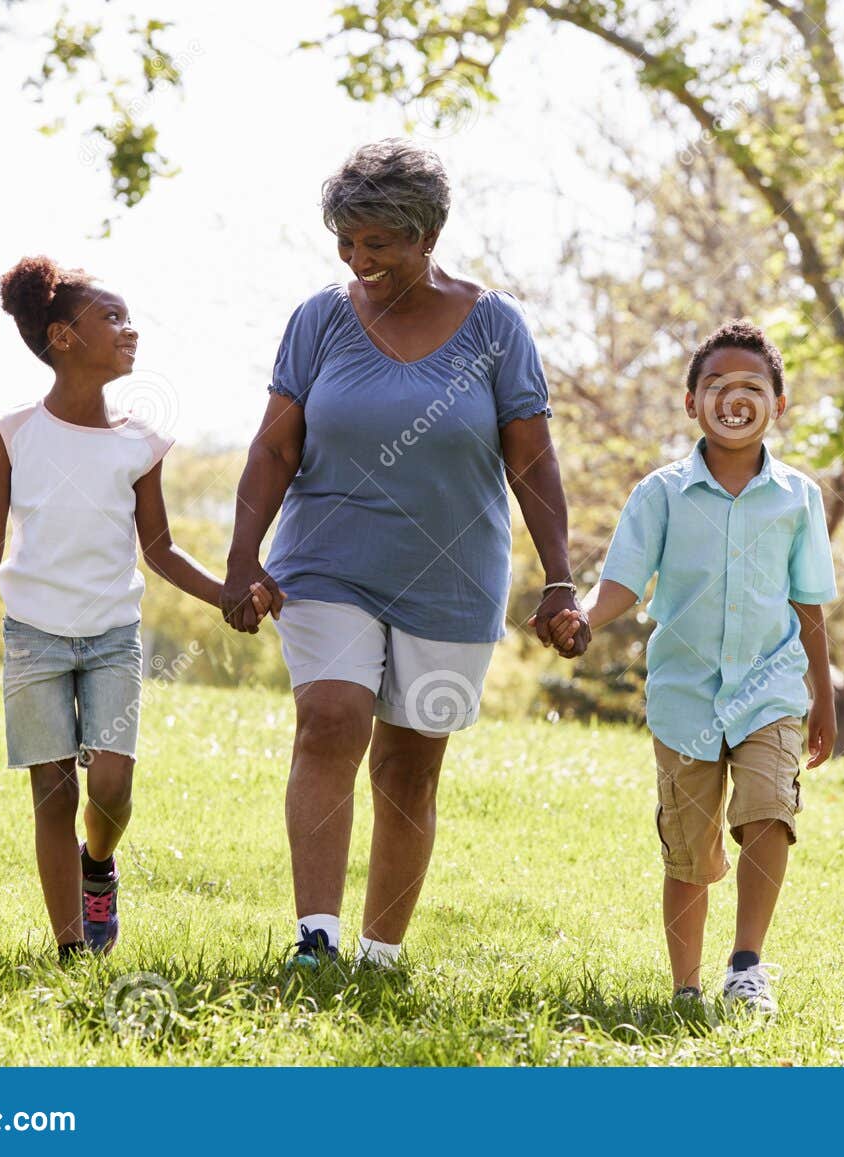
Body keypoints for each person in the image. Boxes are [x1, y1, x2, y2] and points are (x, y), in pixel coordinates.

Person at [220, 139, 587, 970]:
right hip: (326, 561)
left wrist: (559, 577)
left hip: (452, 578)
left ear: (426, 235)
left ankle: (380, 953)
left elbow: (531, 458)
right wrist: (244, 557)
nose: (358, 259)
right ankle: (315, 938)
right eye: (346, 242)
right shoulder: (319, 319)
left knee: (409, 768)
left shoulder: (497, 327)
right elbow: (274, 449)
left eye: (376, 242)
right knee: (330, 720)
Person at [0, 256, 274, 962]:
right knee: (51, 792)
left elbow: (157, 549)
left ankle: (98, 863)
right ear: (64, 337)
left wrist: (226, 592)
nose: (130, 330)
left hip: (110, 638)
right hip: (34, 637)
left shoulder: (141, 442)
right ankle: (72, 946)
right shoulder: (12, 433)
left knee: (110, 784)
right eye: (113, 317)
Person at [543, 320, 837, 1014]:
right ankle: (685, 988)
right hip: (685, 696)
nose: (734, 399)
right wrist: (583, 615)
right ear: (690, 402)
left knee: (770, 811)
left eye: (752, 387)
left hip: (772, 686)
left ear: (778, 404)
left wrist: (822, 698)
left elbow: (810, 603)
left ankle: (745, 965)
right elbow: (622, 582)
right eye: (717, 385)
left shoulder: (799, 498)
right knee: (690, 850)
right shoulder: (662, 493)